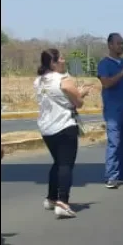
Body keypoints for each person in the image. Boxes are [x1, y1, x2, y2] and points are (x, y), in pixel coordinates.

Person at [34, 48, 92, 218]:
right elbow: (77, 103)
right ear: (53, 62)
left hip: (46, 127)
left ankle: (51, 198)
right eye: (60, 58)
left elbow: (61, 98)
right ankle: (63, 202)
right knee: (66, 164)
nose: (64, 60)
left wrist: (77, 93)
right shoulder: (64, 80)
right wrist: (83, 93)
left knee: (58, 162)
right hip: (64, 125)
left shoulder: (38, 81)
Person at [97, 33, 123, 189]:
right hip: (113, 110)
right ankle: (111, 176)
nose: (121, 46)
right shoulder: (104, 64)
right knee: (115, 142)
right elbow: (106, 83)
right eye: (118, 43)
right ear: (110, 45)